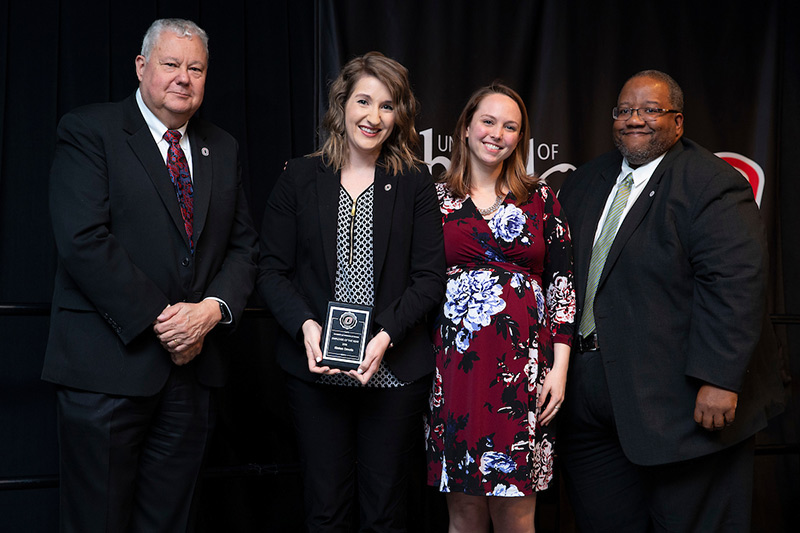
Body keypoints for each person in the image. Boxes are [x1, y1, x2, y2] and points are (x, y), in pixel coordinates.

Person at [42, 18, 259, 532]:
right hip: (106, 371)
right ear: (142, 67)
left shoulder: (221, 148)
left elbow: (244, 247)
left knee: (170, 523)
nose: (183, 77)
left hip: (191, 376)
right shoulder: (89, 130)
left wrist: (211, 311)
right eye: (171, 64)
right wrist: (166, 322)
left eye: (196, 68)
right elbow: (83, 240)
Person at [557, 70, 786, 532]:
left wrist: (719, 378)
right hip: (591, 399)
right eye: (625, 110)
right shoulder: (583, 183)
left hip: (682, 405)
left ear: (678, 122)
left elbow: (735, 281)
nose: (634, 120)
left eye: (650, 110)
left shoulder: (711, 183)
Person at [258, 51, 445, 531]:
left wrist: (384, 338)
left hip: (395, 369)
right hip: (315, 370)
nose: (374, 117)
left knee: (385, 511)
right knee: (325, 509)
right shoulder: (299, 178)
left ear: (399, 115)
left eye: (387, 106)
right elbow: (271, 272)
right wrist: (306, 327)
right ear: (342, 104)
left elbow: (429, 278)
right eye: (364, 101)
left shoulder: (415, 183)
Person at [425, 84, 575, 533]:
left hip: (524, 370)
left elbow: (563, 283)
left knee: (516, 515)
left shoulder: (541, 198)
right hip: (456, 369)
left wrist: (560, 368)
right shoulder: (434, 199)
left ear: (520, 138)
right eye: (488, 121)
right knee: (464, 513)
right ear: (467, 127)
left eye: (510, 126)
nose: (498, 133)